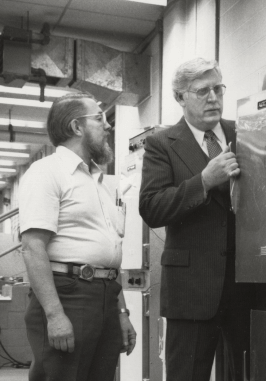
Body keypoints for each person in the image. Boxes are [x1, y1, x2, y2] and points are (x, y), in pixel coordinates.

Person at [139, 57, 253, 381]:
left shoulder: (245, 133)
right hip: (191, 292)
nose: (214, 97)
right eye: (203, 91)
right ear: (180, 97)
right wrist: (203, 180)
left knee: (248, 373)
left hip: (244, 286)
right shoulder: (161, 144)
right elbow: (151, 207)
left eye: (218, 88)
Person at [19, 92, 136, 381]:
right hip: (69, 294)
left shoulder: (96, 182)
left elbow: (109, 254)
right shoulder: (47, 172)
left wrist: (121, 312)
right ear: (76, 127)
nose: (107, 126)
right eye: (99, 118)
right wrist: (55, 315)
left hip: (105, 295)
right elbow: (33, 247)